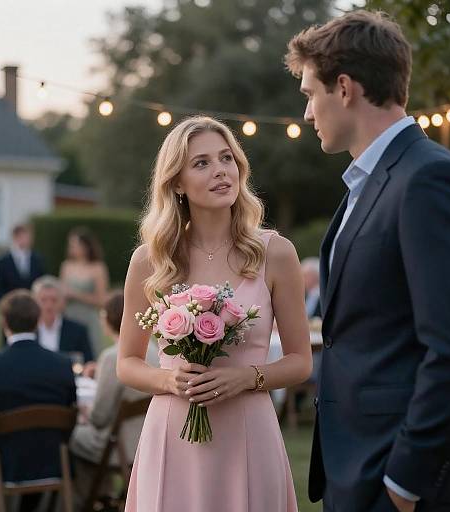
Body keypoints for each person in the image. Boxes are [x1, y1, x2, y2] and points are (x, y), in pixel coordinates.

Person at [286, 10, 450, 512]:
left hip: (401, 480)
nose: (306, 114)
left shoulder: (427, 179)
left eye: (308, 95)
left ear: (344, 88)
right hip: (353, 468)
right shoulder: (367, 185)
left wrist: (404, 483)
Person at [117, 116, 312, 512]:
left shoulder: (275, 253)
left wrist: (246, 378)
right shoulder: (149, 261)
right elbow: (126, 362)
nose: (221, 170)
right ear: (176, 182)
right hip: (173, 433)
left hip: (248, 430)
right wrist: (168, 379)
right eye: (201, 162)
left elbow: (300, 362)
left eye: (226, 158)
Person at [0, 289, 76, 512]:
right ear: (37, 320)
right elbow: (69, 422)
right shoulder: (62, 364)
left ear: (3, 322)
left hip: (5, 466)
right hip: (52, 462)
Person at [70, 290, 159, 508]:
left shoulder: (113, 357)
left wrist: (82, 411)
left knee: (69, 434)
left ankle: (83, 501)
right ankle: (103, 495)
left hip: (119, 446)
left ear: (107, 319)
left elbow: (99, 418)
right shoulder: (154, 350)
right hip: (145, 439)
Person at [60, 227, 109, 356]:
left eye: (75, 245)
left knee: (91, 354)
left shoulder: (98, 268)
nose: (72, 248)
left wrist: (76, 294)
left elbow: (102, 300)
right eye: (71, 245)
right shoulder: (66, 266)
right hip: (70, 316)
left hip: (89, 319)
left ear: (86, 246)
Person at [32, 275, 94, 363]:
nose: (49, 306)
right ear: (34, 302)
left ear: (62, 302)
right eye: (43, 300)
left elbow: (88, 362)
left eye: (54, 300)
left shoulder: (78, 330)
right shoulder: (28, 330)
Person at [0, 224, 46, 301]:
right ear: (15, 237)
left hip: (33, 303)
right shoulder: (3, 260)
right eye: (23, 237)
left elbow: (42, 281)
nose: (27, 240)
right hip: (11, 304)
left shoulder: (38, 259)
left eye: (28, 237)